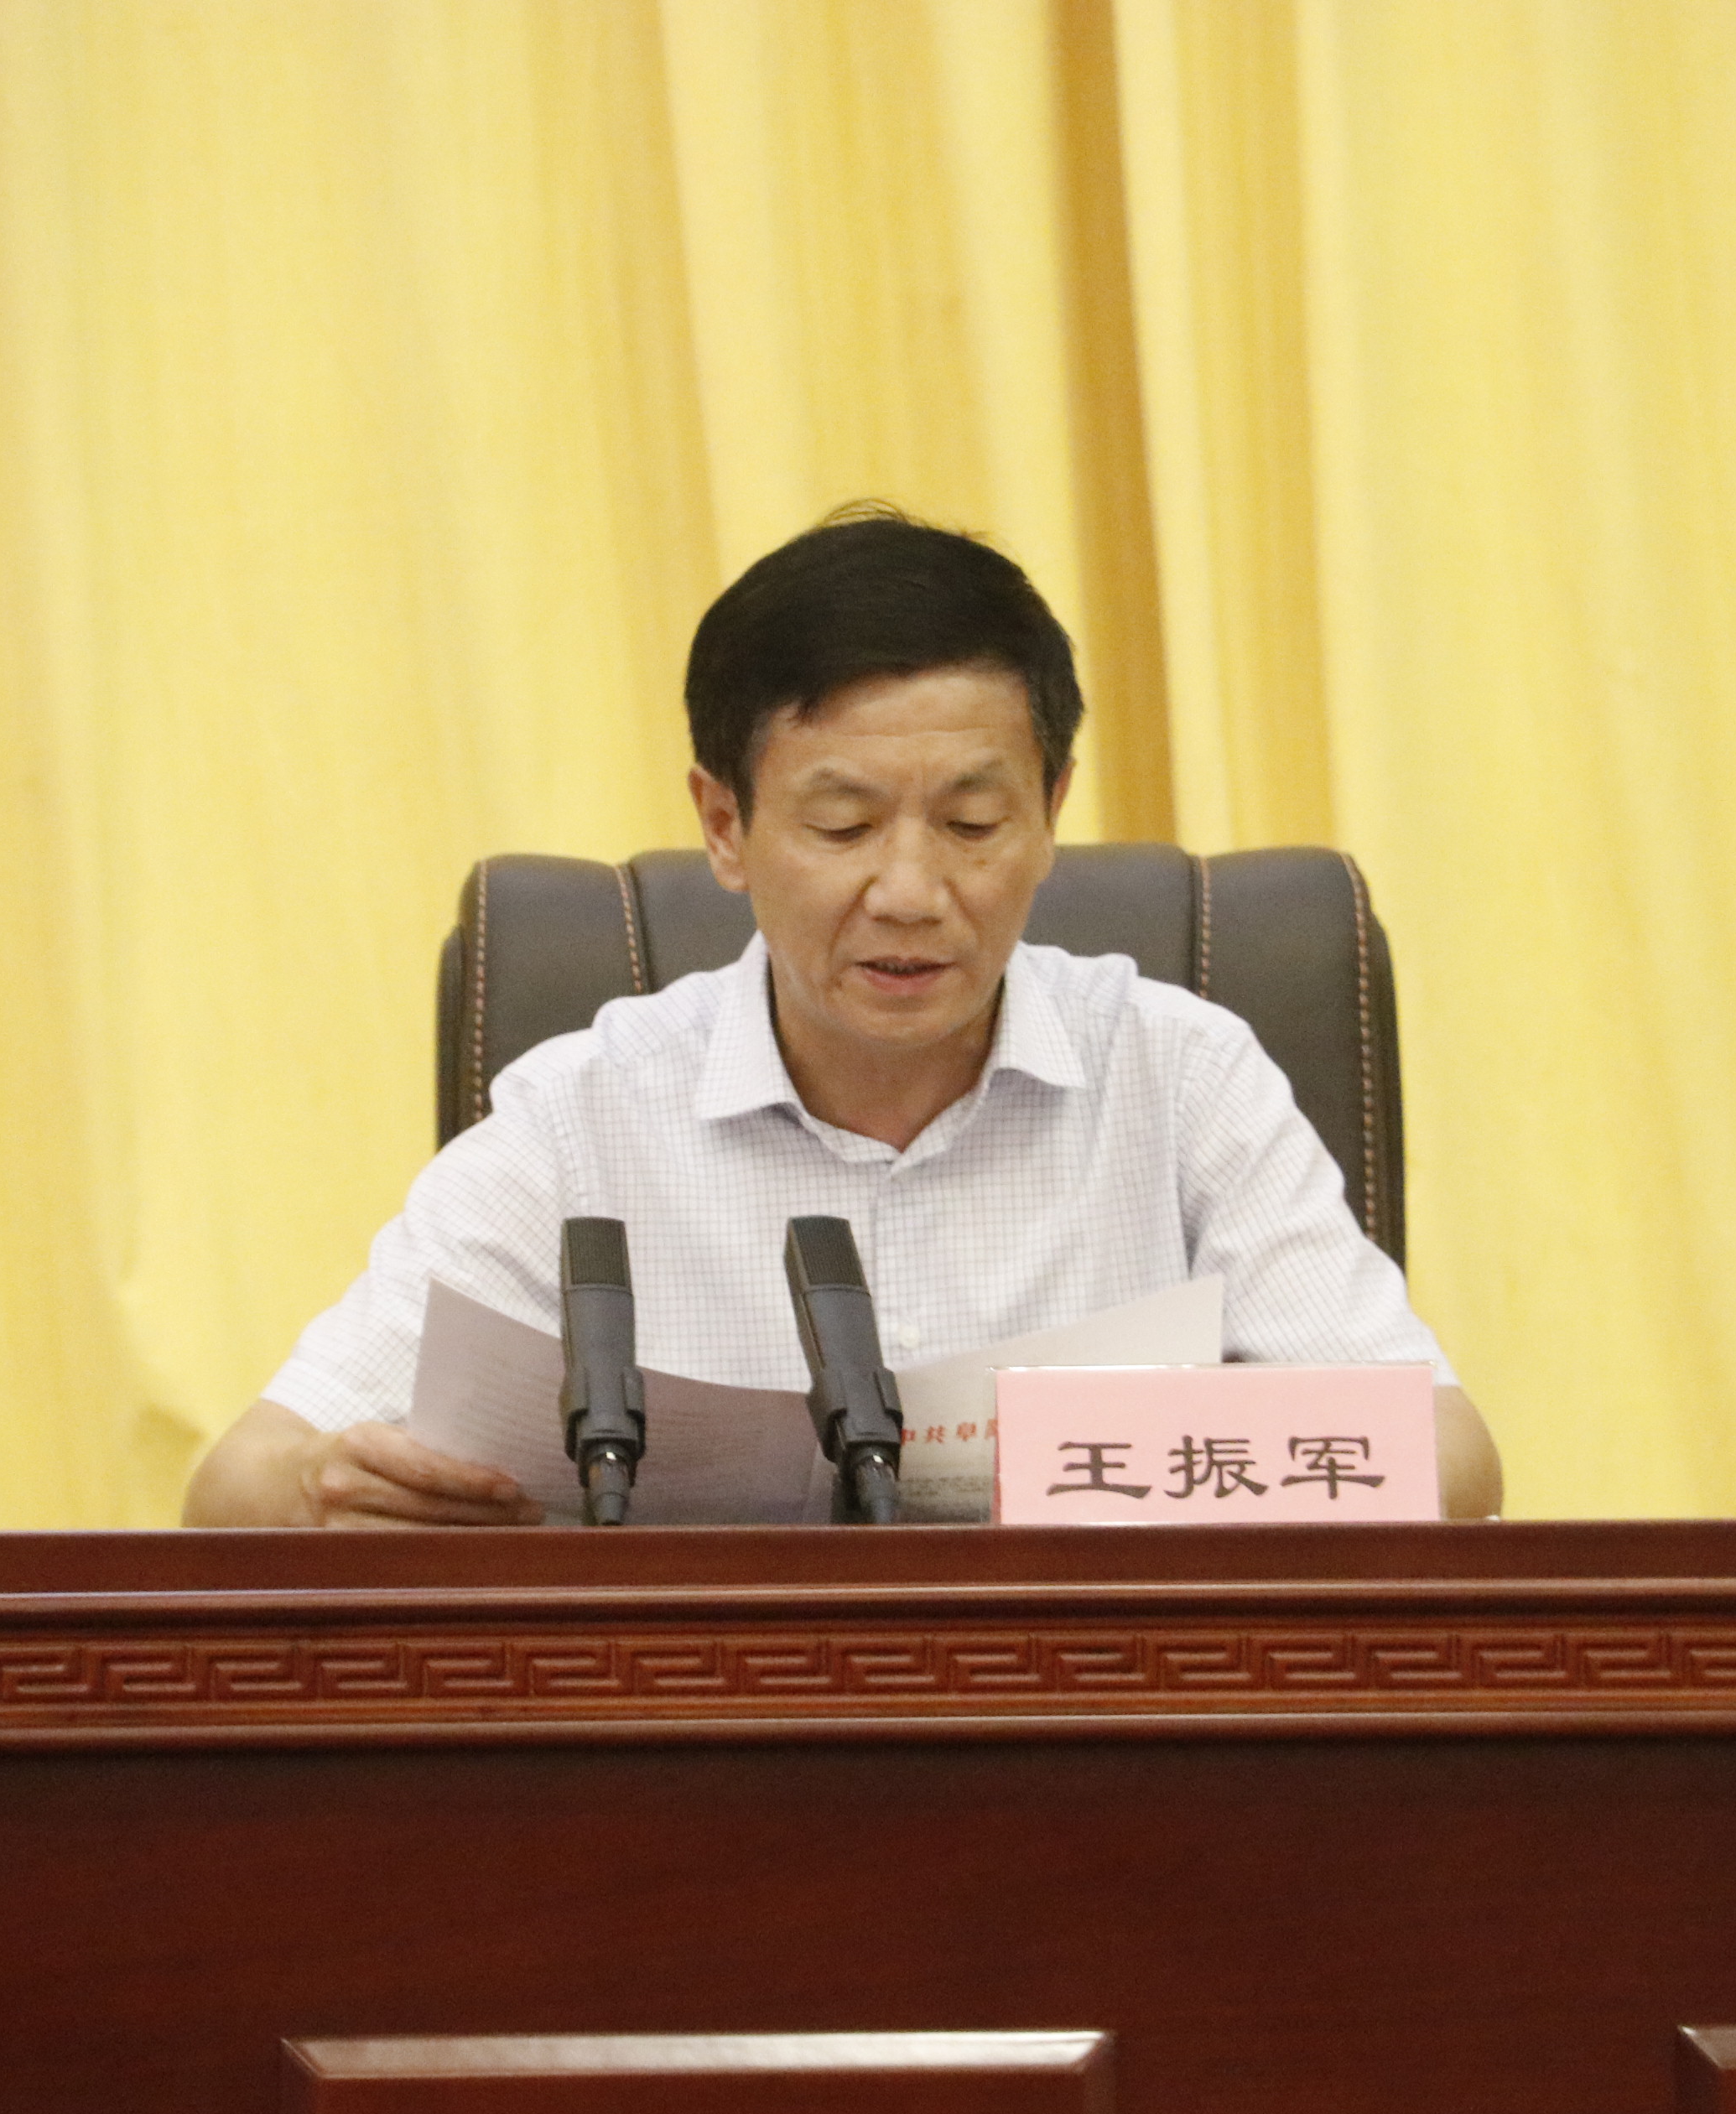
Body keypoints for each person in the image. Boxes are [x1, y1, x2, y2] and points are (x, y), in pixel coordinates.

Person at [186, 509, 1503, 1527]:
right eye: (842, 825)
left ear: (1051, 810)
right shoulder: (584, 1114)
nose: (913, 892)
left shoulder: (1182, 1076)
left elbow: (1451, 1465)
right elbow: (236, 1485)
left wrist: (1090, 1457)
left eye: (974, 823)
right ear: (725, 826)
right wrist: (327, 1489)